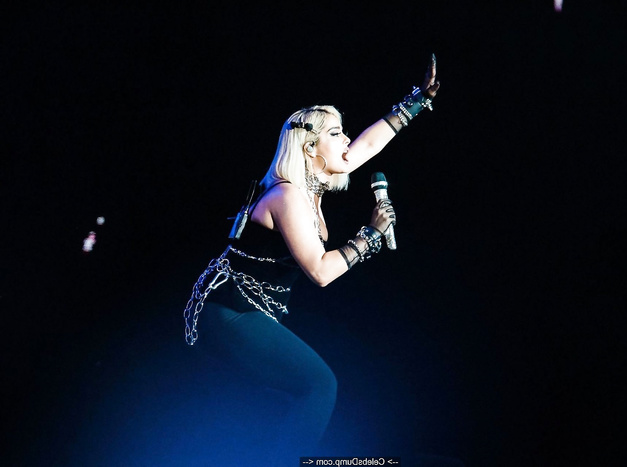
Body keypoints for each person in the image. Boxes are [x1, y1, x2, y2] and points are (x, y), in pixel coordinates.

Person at [182, 55, 440, 466]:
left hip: (254, 311)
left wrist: (417, 101)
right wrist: (371, 235)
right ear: (309, 148)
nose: (347, 140)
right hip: (229, 309)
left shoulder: (310, 190)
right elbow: (320, 271)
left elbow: (367, 146)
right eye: (336, 133)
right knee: (319, 385)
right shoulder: (287, 195)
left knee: (277, 405)